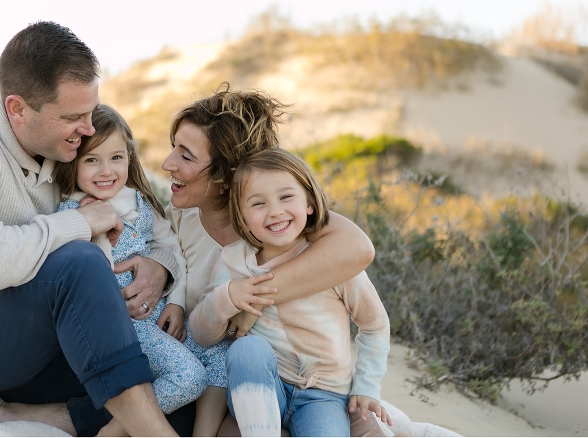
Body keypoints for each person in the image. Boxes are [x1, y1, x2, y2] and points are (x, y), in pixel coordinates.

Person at [0, 21, 185, 436]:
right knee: (79, 261)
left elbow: (139, 211)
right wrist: (78, 222)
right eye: (73, 116)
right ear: (17, 109)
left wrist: (159, 264)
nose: (87, 129)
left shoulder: (64, 145)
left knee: (179, 377)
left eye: (90, 112)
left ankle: (56, 417)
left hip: (36, 340)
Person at [160, 84, 378, 435]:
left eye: (186, 156)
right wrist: (159, 270)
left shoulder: (281, 226)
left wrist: (258, 296)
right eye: (174, 149)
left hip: (307, 385)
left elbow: (358, 248)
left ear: (226, 176)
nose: (167, 163)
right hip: (228, 385)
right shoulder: (179, 215)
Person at [188, 148, 392, 436]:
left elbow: (374, 324)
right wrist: (227, 298)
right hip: (261, 389)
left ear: (309, 203)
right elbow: (201, 333)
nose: (275, 211)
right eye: (258, 203)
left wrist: (367, 386)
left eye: (286, 197)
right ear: (243, 218)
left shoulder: (330, 262)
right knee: (247, 350)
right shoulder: (235, 261)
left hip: (325, 396)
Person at [53, 104, 208, 434]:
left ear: (130, 158)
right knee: (190, 378)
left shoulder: (141, 202)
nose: (105, 171)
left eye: (117, 158)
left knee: (219, 353)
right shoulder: (69, 211)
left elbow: (172, 252)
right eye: (91, 159)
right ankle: (117, 430)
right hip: (127, 327)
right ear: (74, 161)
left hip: (163, 315)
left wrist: (178, 304)